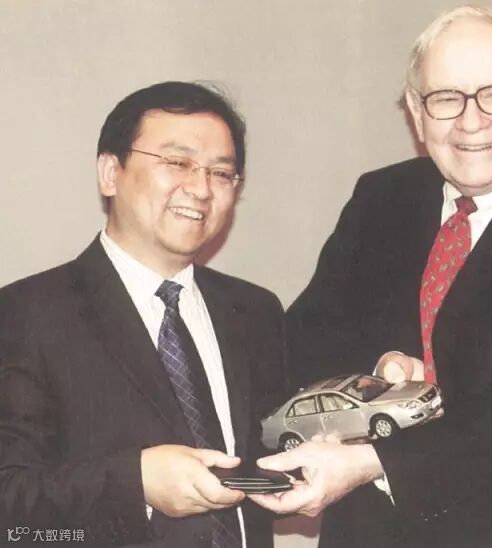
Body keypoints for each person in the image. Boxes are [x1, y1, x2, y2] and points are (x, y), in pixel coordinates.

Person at [249, 6, 492, 548]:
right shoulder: (380, 198)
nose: (470, 121)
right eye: (446, 98)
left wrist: (375, 461)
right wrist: (379, 372)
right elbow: (307, 340)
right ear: (416, 110)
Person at [0, 81, 286, 547]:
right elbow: (10, 508)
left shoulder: (255, 311)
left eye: (221, 173)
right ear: (110, 173)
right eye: (177, 163)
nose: (201, 189)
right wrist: (135, 484)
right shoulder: (25, 314)